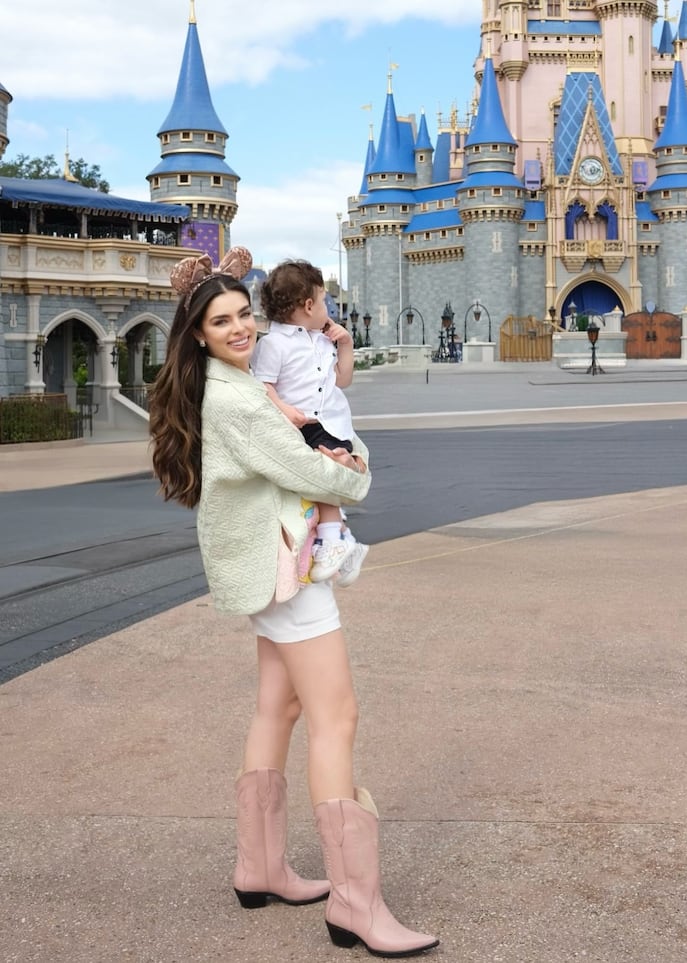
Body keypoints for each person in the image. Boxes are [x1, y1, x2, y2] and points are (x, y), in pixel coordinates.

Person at [148, 247, 438, 958]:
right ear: (199, 334)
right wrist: (354, 466)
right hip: (287, 569)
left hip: (271, 562)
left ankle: (261, 865)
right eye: (223, 320)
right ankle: (356, 904)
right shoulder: (238, 400)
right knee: (337, 715)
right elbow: (310, 469)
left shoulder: (236, 384)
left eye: (245, 313)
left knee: (278, 706)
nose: (242, 327)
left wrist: (323, 454)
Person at [252, 259, 368, 587]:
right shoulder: (273, 344)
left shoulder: (321, 340)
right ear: (307, 305)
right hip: (302, 423)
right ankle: (340, 539)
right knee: (319, 480)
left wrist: (345, 344)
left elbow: (342, 380)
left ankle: (333, 540)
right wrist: (283, 408)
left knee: (326, 477)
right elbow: (263, 385)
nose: (326, 308)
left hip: (330, 422)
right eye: (322, 301)